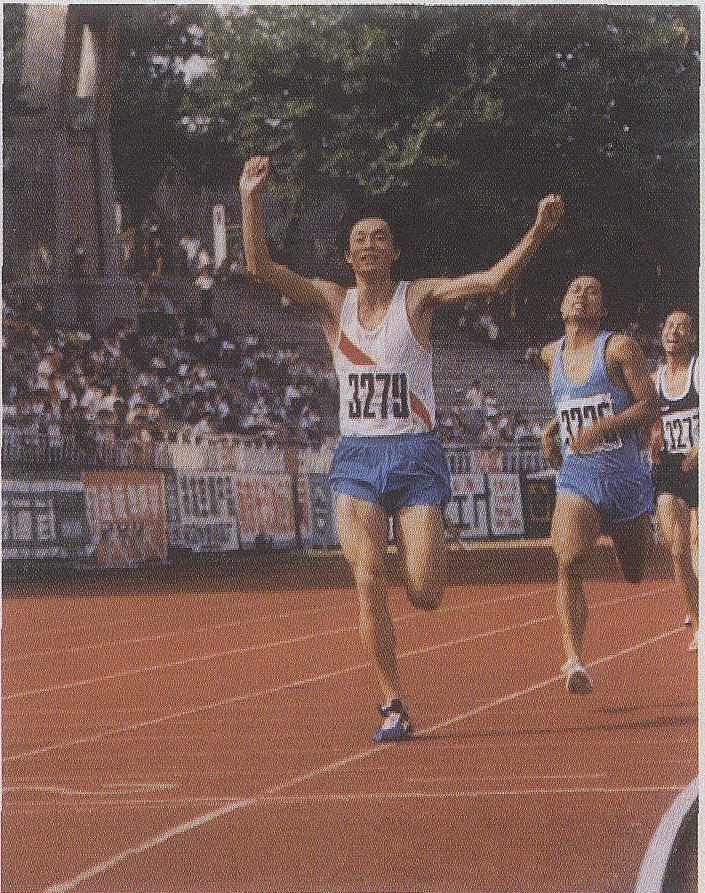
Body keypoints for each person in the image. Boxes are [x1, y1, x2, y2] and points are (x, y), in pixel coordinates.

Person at [240, 154, 563, 741]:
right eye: (359, 238)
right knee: (367, 577)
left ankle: (427, 543)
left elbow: (492, 280)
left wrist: (538, 230)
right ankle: (392, 702)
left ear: (393, 253)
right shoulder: (331, 302)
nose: (369, 244)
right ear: (348, 256)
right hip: (358, 458)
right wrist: (250, 196)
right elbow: (260, 266)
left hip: (415, 455)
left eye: (379, 237)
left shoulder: (418, 299)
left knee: (425, 593)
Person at [540, 276, 659, 694]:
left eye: (591, 291)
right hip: (578, 478)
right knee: (568, 559)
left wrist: (604, 427)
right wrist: (553, 430)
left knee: (635, 573)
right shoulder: (550, 354)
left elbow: (650, 404)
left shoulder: (618, 348)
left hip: (625, 481)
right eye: (573, 289)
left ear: (603, 310)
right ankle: (574, 660)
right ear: (561, 307)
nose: (581, 295)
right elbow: (568, 406)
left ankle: (632, 529)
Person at [650, 310, 699, 651]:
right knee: (678, 549)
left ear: (692, 337)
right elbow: (650, 423)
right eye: (669, 325)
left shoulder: (700, 370)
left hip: (700, 467)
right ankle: (698, 621)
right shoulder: (655, 381)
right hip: (670, 470)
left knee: (698, 546)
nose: (674, 331)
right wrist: (652, 437)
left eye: (682, 326)